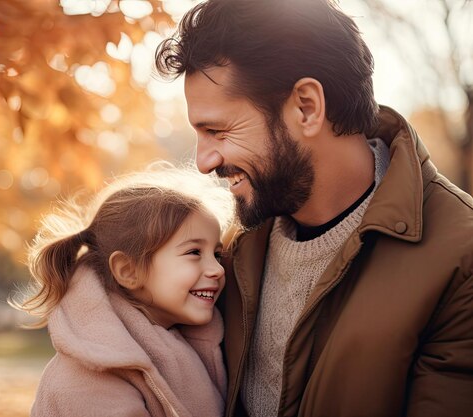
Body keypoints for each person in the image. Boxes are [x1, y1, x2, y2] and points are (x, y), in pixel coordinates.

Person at [155, 0, 473, 416]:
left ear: (306, 106)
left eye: (217, 131)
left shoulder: (460, 258)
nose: (203, 162)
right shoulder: (227, 246)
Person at [14, 165, 235, 416]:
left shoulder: (183, 347)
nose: (217, 269)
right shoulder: (88, 379)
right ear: (128, 271)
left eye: (217, 254)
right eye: (194, 252)